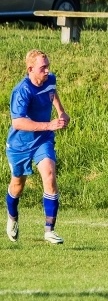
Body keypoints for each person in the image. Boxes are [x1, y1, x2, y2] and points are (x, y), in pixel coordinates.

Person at [5, 49, 70, 244]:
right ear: (30, 69)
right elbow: (18, 123)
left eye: (48, 65)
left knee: (49, 174)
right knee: (17, 185)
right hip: (20, 144)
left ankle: (49, 230)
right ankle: (12, 217)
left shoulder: (49, 79)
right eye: (43, 67)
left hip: (43, 140)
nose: (47, 70)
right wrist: (49, 124)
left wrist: (61, 112)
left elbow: (52, 92)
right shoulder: (22, 91)